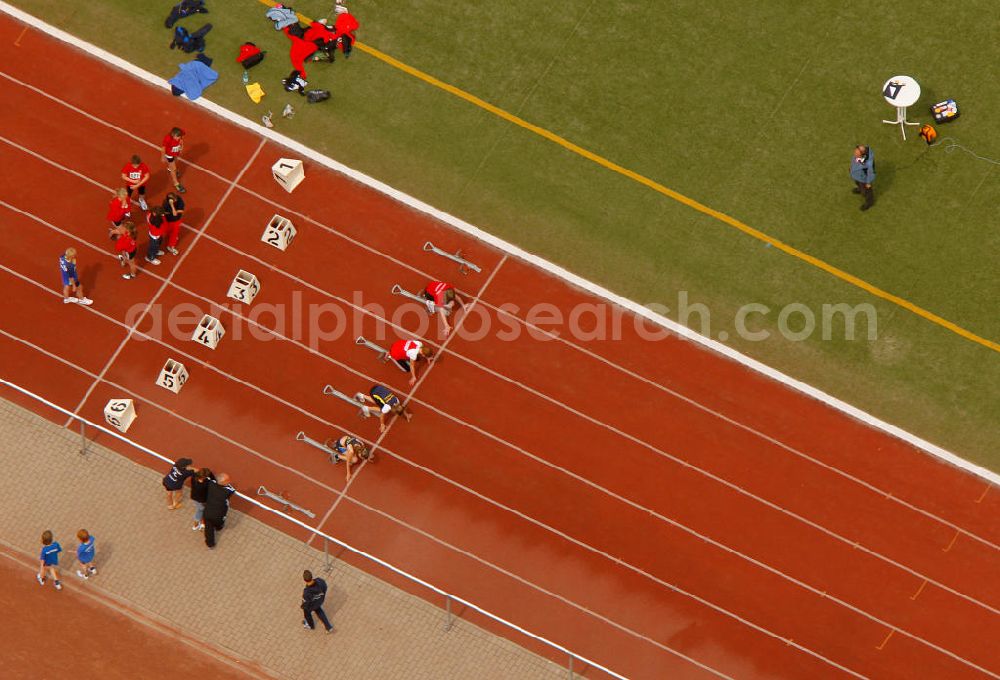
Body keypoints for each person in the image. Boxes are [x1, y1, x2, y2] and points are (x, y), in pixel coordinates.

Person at [203, 473, 235, 549]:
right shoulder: (228, 491)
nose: (229, 481)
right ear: (223, 482)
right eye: (227, 480)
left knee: (208, 529)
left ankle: (210, 544)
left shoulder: (211, 484)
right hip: (218, 514)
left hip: (208, 512)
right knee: (219, 523)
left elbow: (211, 478)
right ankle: (218, 528)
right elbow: (232, 489)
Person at [850, 144, 875, 211]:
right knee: (858, 183)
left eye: (856, 153)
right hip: (857, 175)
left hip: (863, 178)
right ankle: (860, 189)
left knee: (866, 191)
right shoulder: (859, 155)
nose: (855, 154)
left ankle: (869, 202)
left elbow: (870, 173)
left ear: (862, 153)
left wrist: (868, 182)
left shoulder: (868, 163)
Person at [161, 127, 186, 193]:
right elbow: (163, 148)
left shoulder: (179, 134)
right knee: (174, 169)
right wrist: (163, 157)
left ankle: (170, 169)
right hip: (169, 155)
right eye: (177, 137)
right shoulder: (168, 139)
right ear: (173, 135)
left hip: (175, 153)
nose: (179, 138)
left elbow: (182, 137)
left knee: (175, 161)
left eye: (180, 137)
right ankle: (176, 184)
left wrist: (181, 146)